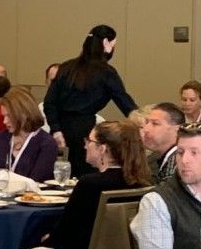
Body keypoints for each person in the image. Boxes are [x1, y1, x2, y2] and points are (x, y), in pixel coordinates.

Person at [20, 121, 152, 249]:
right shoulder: (141, 184)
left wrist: (45, 239)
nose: (85, 146)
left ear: (103, 149)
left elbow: (62, 233)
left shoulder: (90, 184)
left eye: (89, 141)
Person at [44, 24, 138, 176]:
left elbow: (50, 102)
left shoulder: (67, 67)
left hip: (59, 130)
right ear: (107, 45)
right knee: (84, 175)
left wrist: (56, 130)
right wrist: (141, 122)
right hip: (84, 132)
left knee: (56, 176)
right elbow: (124, 102)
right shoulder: (107, 72)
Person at [0, 88, 58, 183]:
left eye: (9, 116)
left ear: (24, 114)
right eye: (4, 116)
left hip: (32, 196)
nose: (4, 121)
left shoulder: (46, 144)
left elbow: (36, 181)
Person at [142, 102, 184, 183]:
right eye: (147, 122)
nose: (146, 129)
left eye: (155, 124)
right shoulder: (154, 158)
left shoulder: (180, 162)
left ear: (177, 130)